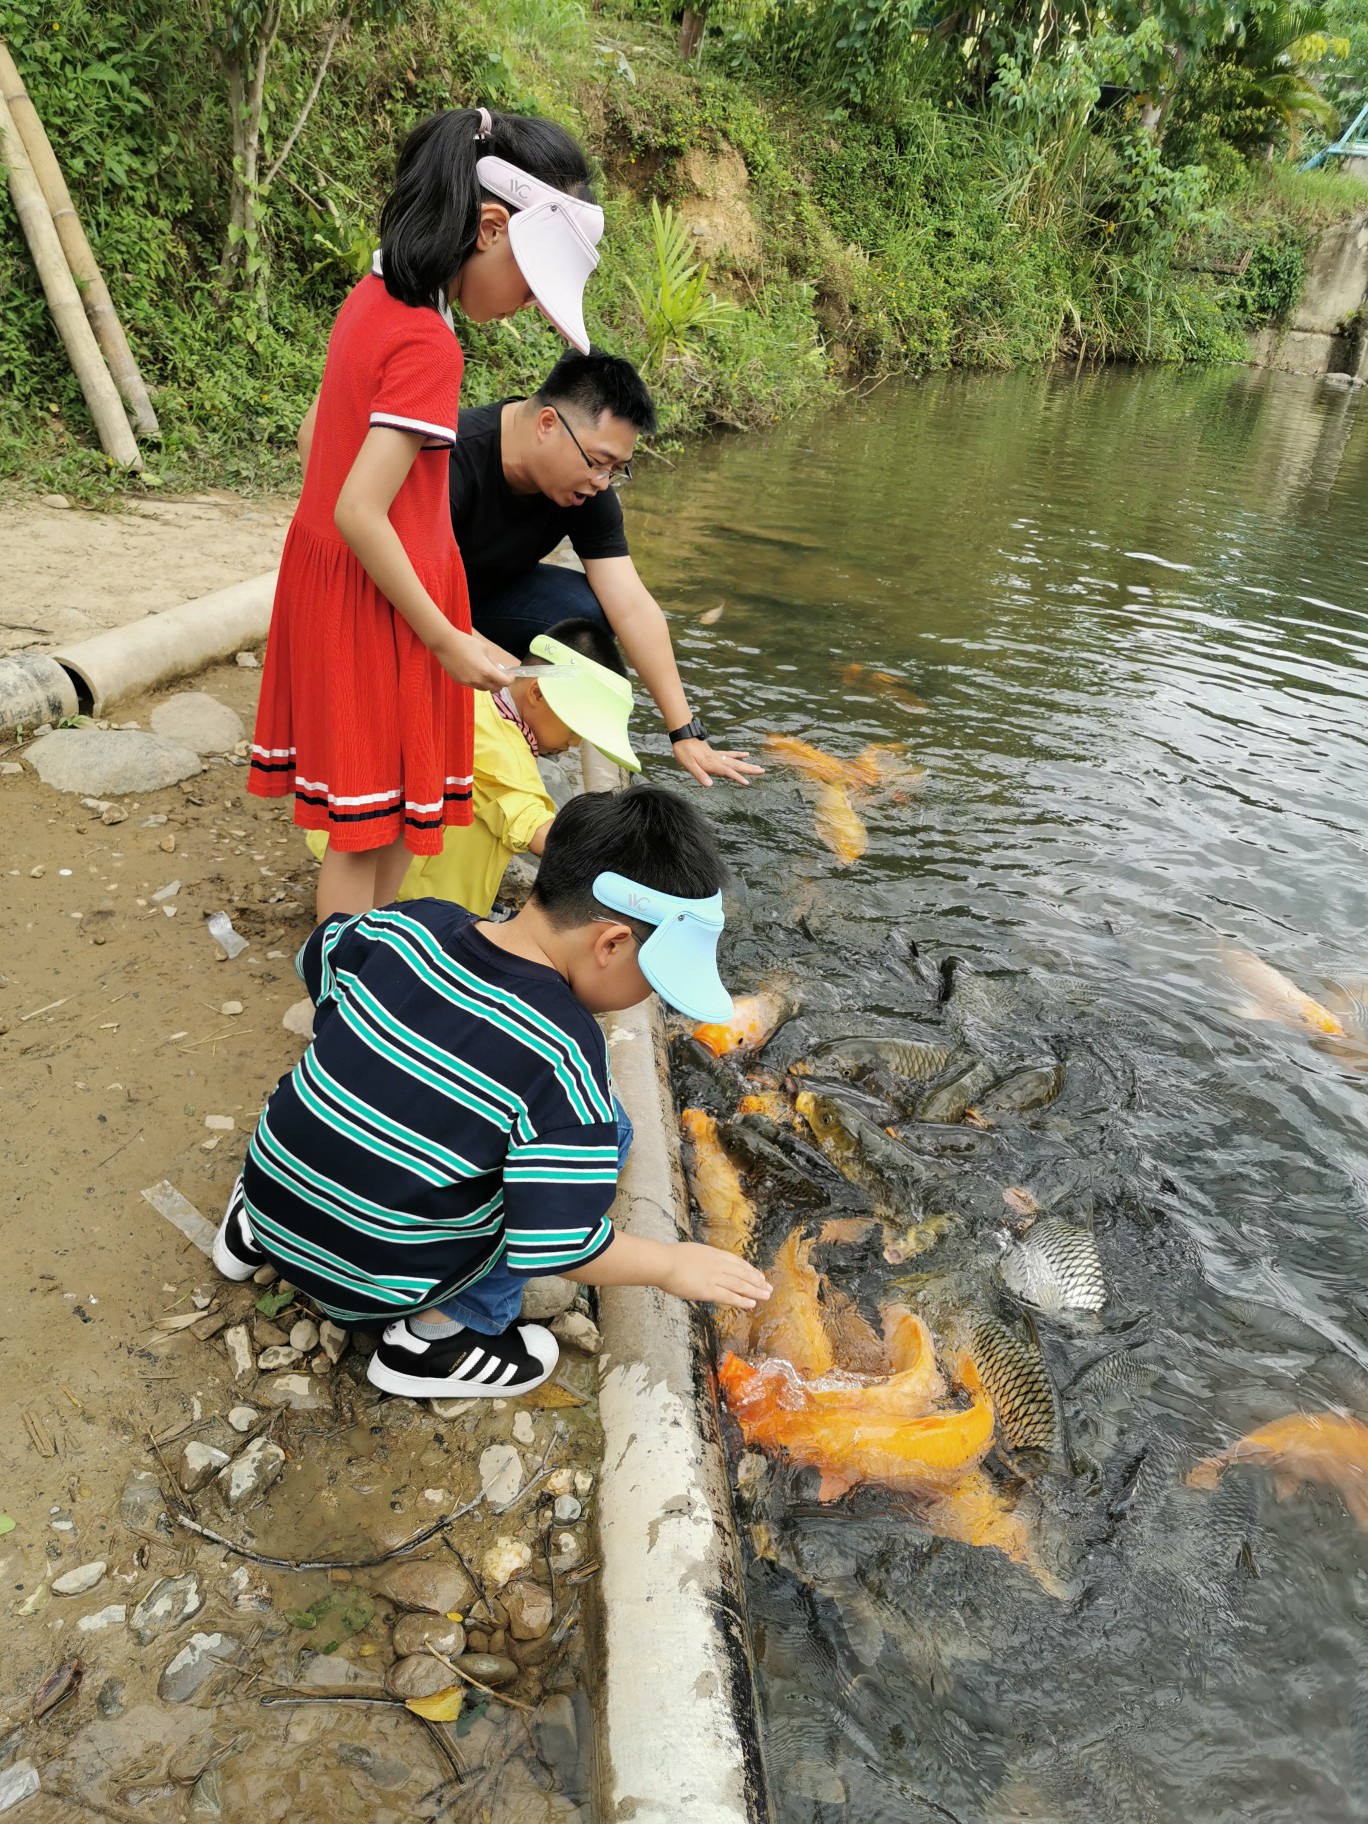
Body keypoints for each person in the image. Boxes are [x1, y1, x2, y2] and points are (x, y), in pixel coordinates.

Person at [212, 787, 773, 1399]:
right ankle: (434, 1343)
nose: (652, 996)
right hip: (372, 1285)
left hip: (271, 1201)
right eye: (656, 979)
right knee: (609, 1135)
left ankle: (250, 1234)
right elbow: (557, 1247)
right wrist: (671, 1266)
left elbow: (320, 961)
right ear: (610, 944)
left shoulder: (411, 924)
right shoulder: (564, 1049)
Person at [249, 105, 607, 923]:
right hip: (387, 609)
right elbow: (360, 509)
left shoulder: (379, 291)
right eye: (528, 283)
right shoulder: (429, 346)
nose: (525, 306)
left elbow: (317, 437)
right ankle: (344, 1010)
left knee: (388, 819)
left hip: (355, 591)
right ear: (489, 228)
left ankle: (361, 979)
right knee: (367, 832)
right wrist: (446, 635)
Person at [447, 347, 763, 791]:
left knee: (590, 615)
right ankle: (505, 710)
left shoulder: (588, 489)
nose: (602, 481)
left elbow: (630, 604)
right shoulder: (452, 455)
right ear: (547, 425)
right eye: (598, 463)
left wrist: (684, 730)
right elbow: (401, 585)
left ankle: (526, 712)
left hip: (486, 598)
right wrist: (502, 670)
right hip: (413, 600)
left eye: (616, 470)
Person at [303, 615, 639, 918]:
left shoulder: (475, 691)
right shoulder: (503, 749)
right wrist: (620, 863)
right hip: (412, 898)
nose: (575, 744)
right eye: (575, 728)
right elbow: (532, 825)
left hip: (354, 838)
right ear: (537, 693)